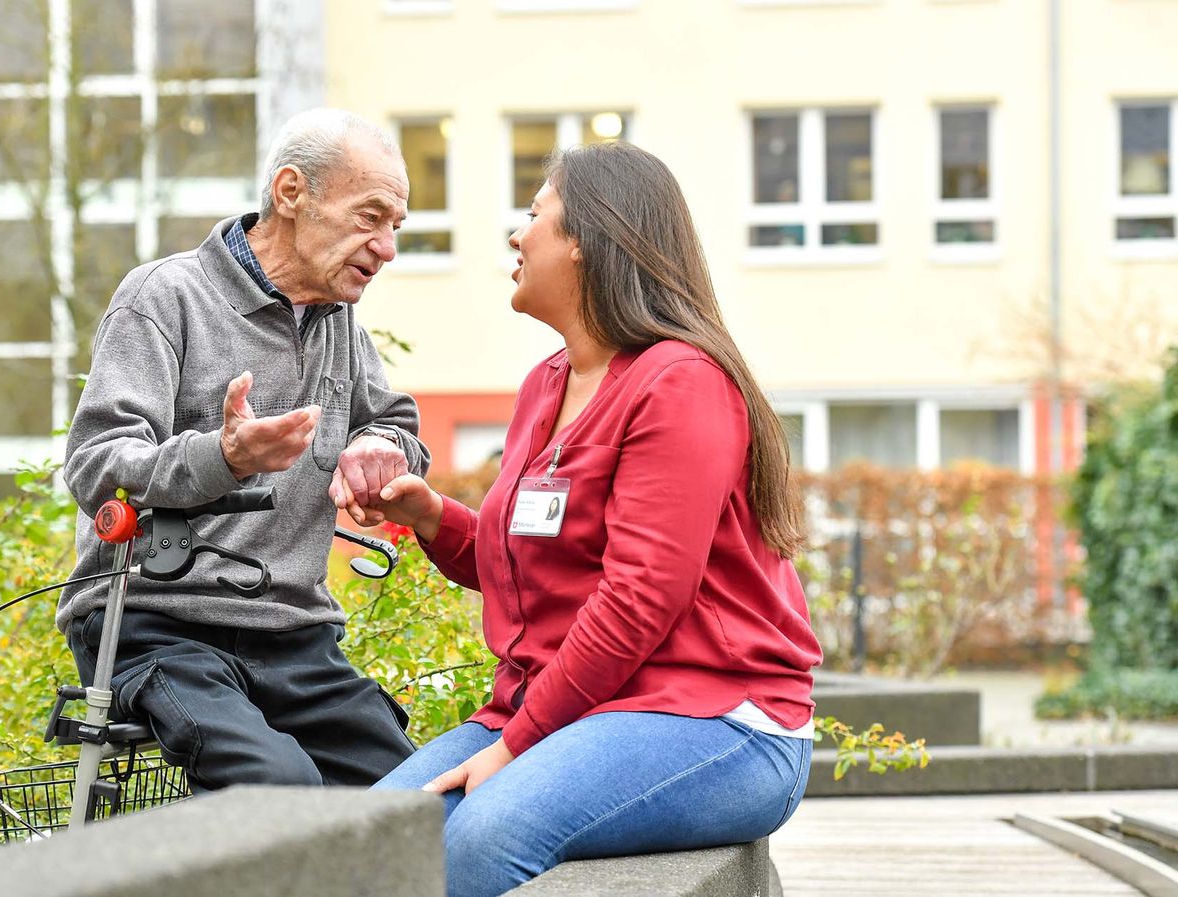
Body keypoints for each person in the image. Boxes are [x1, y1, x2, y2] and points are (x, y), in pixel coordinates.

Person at [353, 142, 823, 897]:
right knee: (366, 840)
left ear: (587, 241)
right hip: (572, 707)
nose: (516, 235)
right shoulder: (546, 385)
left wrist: (515, 745)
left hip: (716, 718)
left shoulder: (681, 383)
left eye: (535, 214)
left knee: (485, 837)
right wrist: (432, 517)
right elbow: (539, 560)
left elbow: (638, 598)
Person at [57, 109, 430, 792]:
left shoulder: (337, 322)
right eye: (369, 217)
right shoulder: (163, 297)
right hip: (154, 623)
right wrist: (223, 456)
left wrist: (380, 445)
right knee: (277, 787)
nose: (386, 248)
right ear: (291, 192)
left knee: (414, 801)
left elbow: (398, 424)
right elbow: (96, 464)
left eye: (394, 227)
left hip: (292, 634)